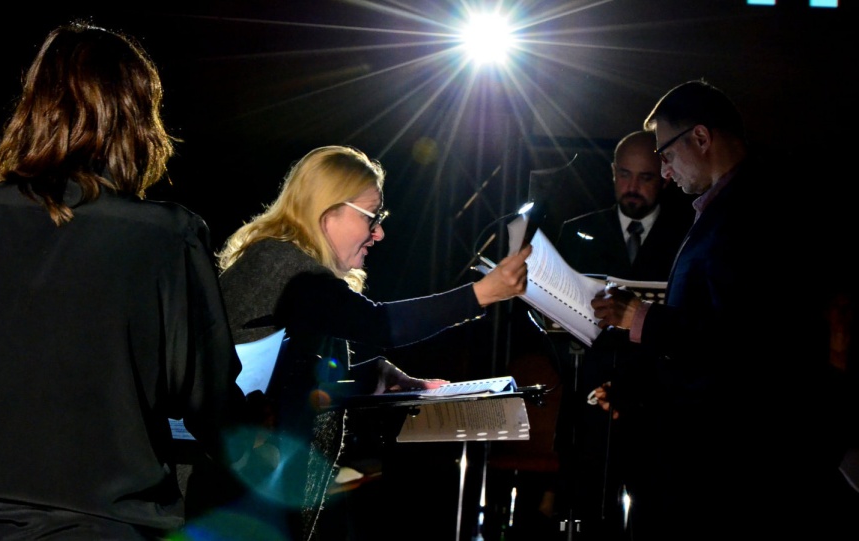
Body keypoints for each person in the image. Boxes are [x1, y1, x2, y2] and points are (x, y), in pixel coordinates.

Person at [0, 22, 249, 540]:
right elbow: (208, 402)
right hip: (104, 524)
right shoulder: (166, 234)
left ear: (34, 104)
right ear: (137, 117)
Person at [182, 145, 532, 541]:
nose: (379, 232)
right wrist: (483, 293)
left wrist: (381, 374)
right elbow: (382, 324)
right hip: (232, 501)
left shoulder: (291, 268)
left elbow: (308, 365)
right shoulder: (285, 266)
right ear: (327, 212)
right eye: (372, 216)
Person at [588, 79, 857, 540]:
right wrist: (639, 385)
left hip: (741, 460)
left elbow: (750, 341)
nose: (665, 173)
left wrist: (641, 318)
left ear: (700, 137)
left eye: (665, 156)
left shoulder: (763, 208)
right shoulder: (730, 203)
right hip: (719, 451)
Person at [550, 130, 694, 540]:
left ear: (665, 177)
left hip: (658, 402)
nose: (632, 187)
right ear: (612, 173)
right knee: (584, 512)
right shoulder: (578, 231)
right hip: (590, 400)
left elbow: (689, 327)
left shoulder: (686, 234)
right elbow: (556, 328)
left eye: (645, 177)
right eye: (625, 175)